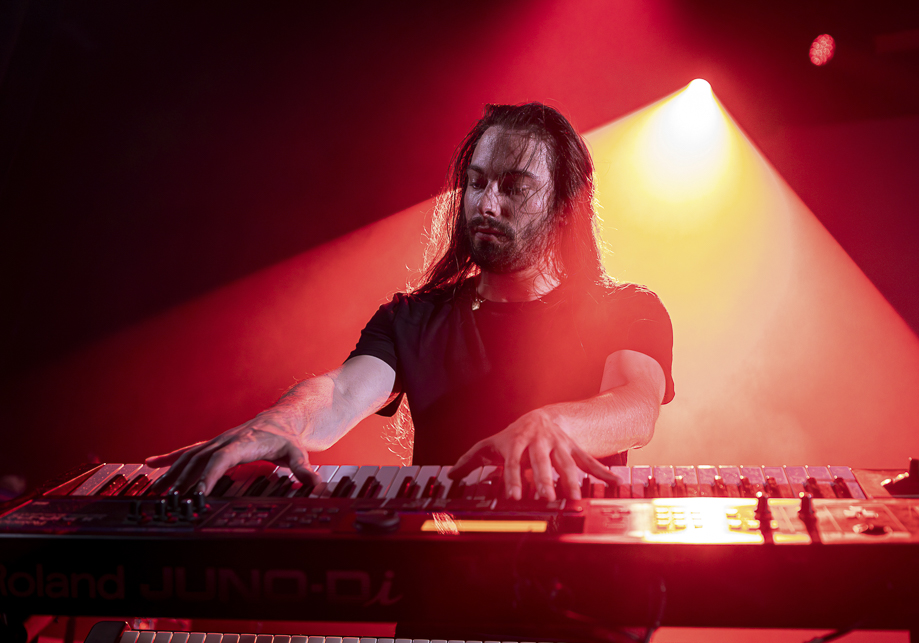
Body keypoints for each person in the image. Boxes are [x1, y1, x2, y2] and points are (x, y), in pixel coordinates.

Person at [148, 102, 674, 501]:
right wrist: (281, 422)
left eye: (514, 188)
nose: (486, 204)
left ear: (563, 206)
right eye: (476, 183)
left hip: (580, 588)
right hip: (440, 585)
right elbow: (340, 394)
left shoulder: (626, 309)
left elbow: (636, 407)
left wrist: (553, 424)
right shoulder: (412, 319)